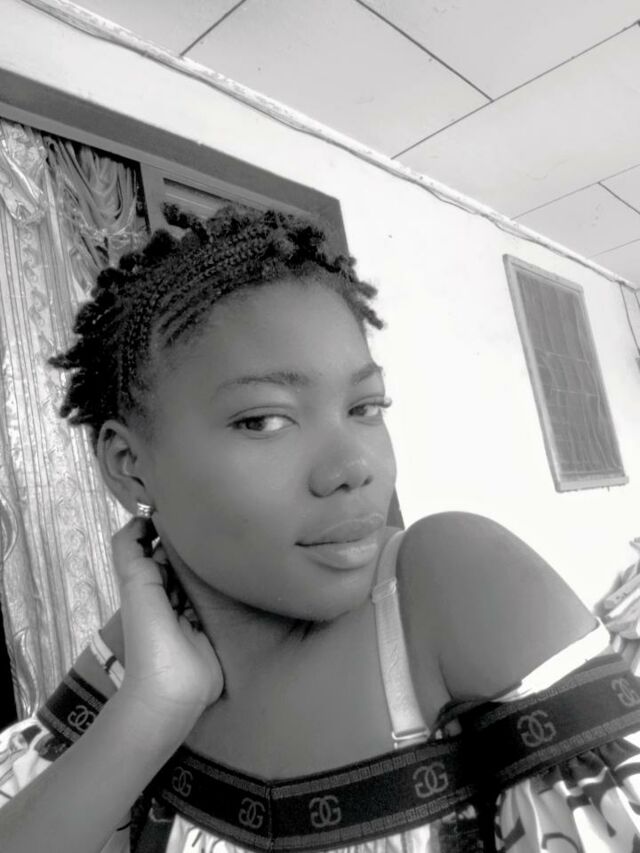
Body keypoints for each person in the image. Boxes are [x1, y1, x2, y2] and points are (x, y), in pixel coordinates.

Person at [0, 204, 638, 853]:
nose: (354, 468)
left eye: (365, 406)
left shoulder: (450, 588)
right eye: (263, 420)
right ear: (129, 466)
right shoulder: (145, 645)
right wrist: (152, 706)